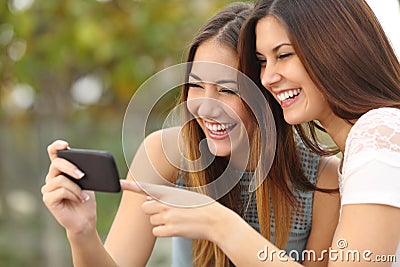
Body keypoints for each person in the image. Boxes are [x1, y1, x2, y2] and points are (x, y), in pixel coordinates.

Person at [41, 2, 339, 267]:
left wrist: (221, 224)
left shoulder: (322, 179)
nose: (206, 107)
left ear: (266, 92)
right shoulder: (165, 154)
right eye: (196, 86)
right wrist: (81, 233)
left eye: (227, 90)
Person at [139, 0, 398, 266]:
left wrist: (218, 223)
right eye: (262, 62)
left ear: (335, 48)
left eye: (283, 55)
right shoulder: (364, 145)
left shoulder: (378, 133)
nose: (267, 78)